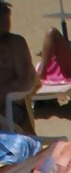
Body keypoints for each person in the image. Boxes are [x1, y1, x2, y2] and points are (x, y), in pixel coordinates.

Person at [0, 1, 38, 134]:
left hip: (12, 106)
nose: (7, 16)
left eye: (7, 12)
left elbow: (25, 81)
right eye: (2, 13)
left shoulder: (16, 43)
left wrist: (2, 93)